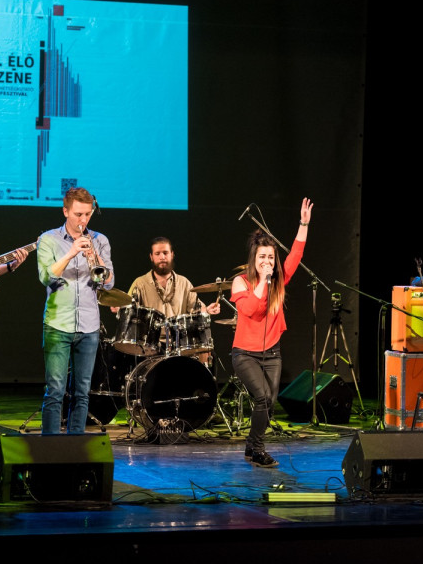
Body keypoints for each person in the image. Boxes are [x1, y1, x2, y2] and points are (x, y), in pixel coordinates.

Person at [230, 198, 313, 467]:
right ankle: (258, 450)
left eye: (270, 257)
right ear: (253, 259)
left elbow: (296, 255)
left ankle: (251, 446)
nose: (267, 262)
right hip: (245, 354)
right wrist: (263, 282)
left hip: (272, 352)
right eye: (262, 257)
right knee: (262, 397)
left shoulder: (279, 280)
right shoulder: (241, 282)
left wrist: (303, 224)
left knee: (269, 403)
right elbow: (251, 310)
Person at [37, 187, 114, 434]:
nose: (83, 220)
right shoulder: (48, 239)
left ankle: (75, 445)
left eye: (88, 214)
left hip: (89, 326)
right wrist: (71, 253)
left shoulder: (100, 240)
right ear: (65, 211)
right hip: (57, 324)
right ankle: (50, 447)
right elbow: (46, 277)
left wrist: (95, 256)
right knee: (55, 391)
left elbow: (108, 283)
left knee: (82, 393)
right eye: (78, 214)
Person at [127, 237, 221, 318]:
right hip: (149, 334)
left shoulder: (184, 283)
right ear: (151, 257)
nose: (162, 257)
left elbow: (196, 309)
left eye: (165, 253)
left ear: (172, 254)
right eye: (157, 253)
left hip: (178, 334)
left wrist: (207, 310)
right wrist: (120, 307)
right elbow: (127, 309)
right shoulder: (139, 283)